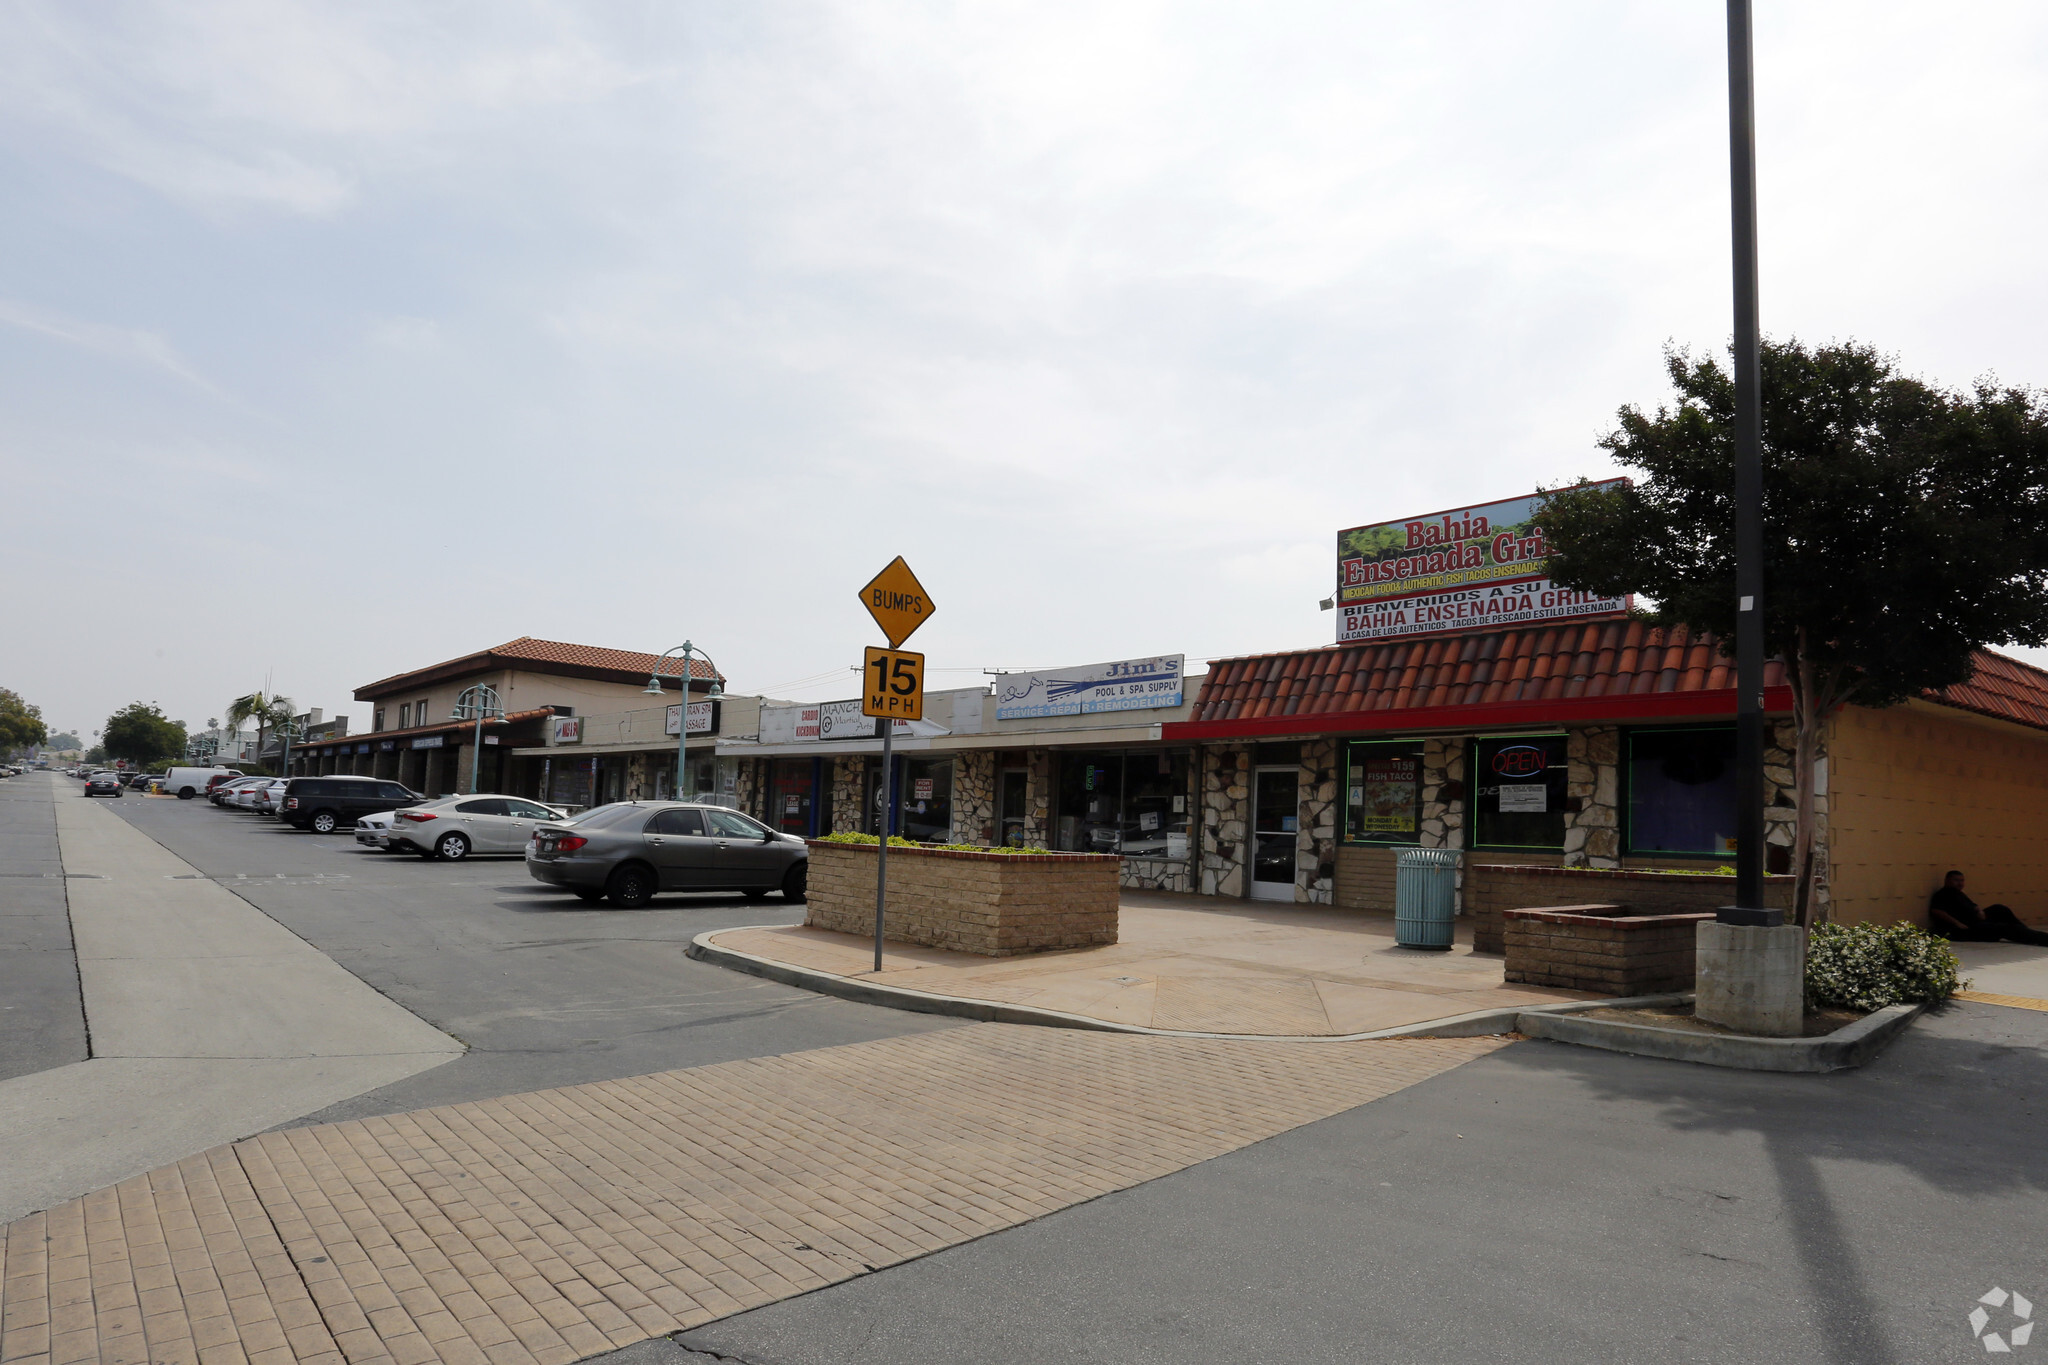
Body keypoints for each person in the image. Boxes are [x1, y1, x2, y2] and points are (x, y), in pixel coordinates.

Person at [1928, 871, 2048, 947]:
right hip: (1966, 928)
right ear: (1947, 881)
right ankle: (2040, 939)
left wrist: (1979, 911)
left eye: (1962, 880)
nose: (1960, 883)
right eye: (1956, 880)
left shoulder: (1959, 893)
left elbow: (1972, 905)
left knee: (2000, 909)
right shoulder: (1942, 894)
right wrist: (1957, 923)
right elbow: (1937, 911)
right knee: (2006, 928)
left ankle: (2025, 931)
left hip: (1976, 920)